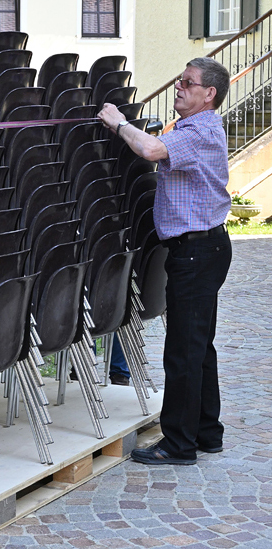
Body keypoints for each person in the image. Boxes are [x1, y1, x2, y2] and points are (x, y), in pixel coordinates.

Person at [98, 57, 232, 466]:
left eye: (188, 83)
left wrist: (118, 123)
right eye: (180, 80)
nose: (179, 87)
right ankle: (207, 432)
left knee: (183, 351)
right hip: (204, 248)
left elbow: (151, 149)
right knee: (198, 347)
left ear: (209, 94)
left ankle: (178, 445)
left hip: (196, 252)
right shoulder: (196, 128)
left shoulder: (199, 130)